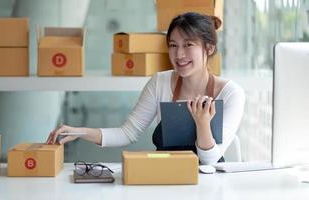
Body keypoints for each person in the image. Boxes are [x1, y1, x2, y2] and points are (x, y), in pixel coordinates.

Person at [46, 12, 245, 165]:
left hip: (209, 186)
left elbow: (210, 160)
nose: (179, 54)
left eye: (188, 44)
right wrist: (81, 132)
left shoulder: (230, 93)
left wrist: (202, 124)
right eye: (173, 45)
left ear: (208, 48)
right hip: (165, 177)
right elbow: (127, 133)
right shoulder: (160, 82)